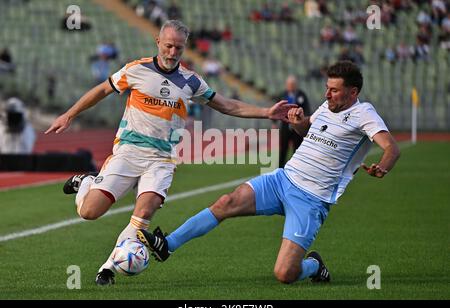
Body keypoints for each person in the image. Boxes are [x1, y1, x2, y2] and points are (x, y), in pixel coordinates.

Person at [45, 20, 294, 286]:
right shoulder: (136, 69)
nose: (173, 52)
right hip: (128, 152)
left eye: (178, 48)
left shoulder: (191, 81)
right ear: (158, 42)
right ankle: (86, 182)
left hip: (162, 159)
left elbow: (227, 105)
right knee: (90, 212)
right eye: (168, 46)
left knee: (144, 214)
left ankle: (108, 267)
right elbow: (103, 90)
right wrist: (69, 114)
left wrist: (265, 112)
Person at [137, 61, 401, 285]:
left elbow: (391, 148)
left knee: (285, 273)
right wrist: (299, 123)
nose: (327, 94)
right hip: (283, 180)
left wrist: (383, 166)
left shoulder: (363, 113)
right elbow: (306, 131)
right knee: (226, 202)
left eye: (334, 90)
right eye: (327, 88)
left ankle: (314, 266)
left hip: (312, 199)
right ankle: (167, 245)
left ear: (353, 92)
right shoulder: (326, 107)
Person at [274, 75, 311, 168]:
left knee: (297, 147)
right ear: (286, 85)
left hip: (297, 126)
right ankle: (280, 168)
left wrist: (303, 121)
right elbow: (276, 109)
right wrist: (274, 122)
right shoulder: (282, 95)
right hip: (285, 126)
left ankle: (297, 167)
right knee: (283, 148)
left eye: (293, 84)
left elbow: (306, 109)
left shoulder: (301, 95)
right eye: (289, 84)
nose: (291, 86)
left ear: (296, 85)